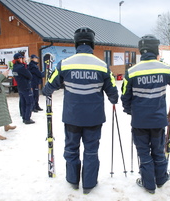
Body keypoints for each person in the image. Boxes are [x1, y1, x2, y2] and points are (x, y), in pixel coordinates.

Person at [42, 27, 118, 194]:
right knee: (91, 150)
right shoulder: (102, 65)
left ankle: (73, 180)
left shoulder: (65, 64)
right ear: (92, 43)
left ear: (76, 43)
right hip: (94, 118)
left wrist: (46, 91)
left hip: (72, 118)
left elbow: (49, 86)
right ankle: (89, 184)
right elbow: (112, 90)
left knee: (71, 148)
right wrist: (113, 99)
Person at [121, 34, 170, 194]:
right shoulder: (165, 68)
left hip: (139, 121)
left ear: (141, 50)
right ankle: (160, 179)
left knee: (143, 152)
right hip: (158, 120)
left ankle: (148, 184)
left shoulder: (132, 71)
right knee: (158, 150)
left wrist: (129, 111)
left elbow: (125, 95)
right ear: (156, 50)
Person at [12, 53, 35, 124]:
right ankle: (27, 118)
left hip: (20, 87)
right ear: (19, 59)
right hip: (26, 87)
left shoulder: (14, 67)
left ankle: (24, 116)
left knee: (23, 103)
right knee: (29, 103)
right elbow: (30, 76)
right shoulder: (21, 67)